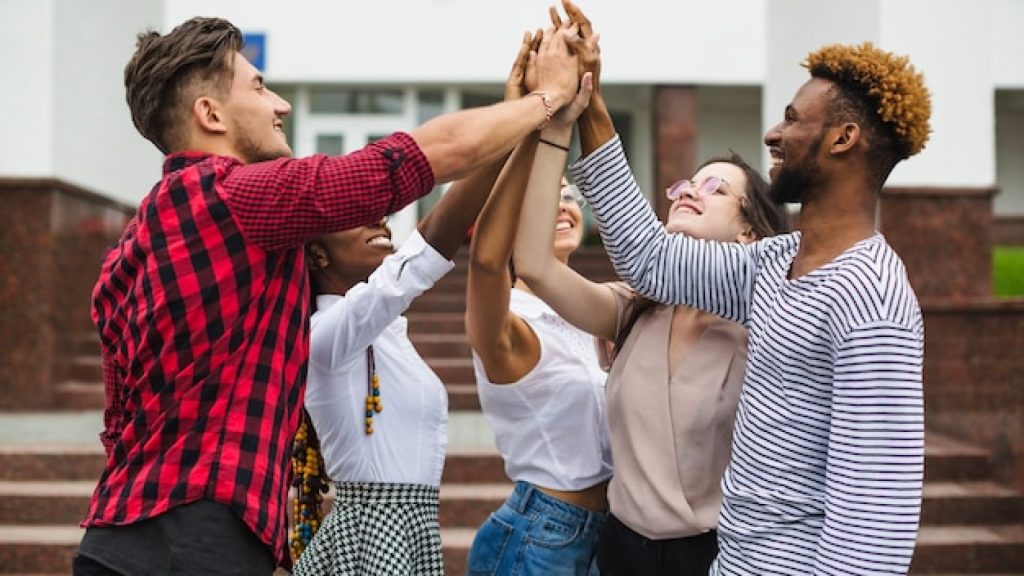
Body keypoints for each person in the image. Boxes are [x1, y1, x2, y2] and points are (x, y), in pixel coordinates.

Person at [75, 16, 582, 576]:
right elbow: (411, 160)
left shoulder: (128, 249)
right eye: (259, 86)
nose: (281, 105)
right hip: (195, 540)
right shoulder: (238, 196)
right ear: (210, 115)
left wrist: (513, 118)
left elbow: (117, 423)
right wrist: (547, 97)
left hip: (115, 535)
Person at [566, 24, 932, 575]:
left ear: (843, 138)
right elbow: (649, 259)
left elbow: (874, 521)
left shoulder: (872, 299)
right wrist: (590, 100)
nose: (772, 134)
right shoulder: (774, 262)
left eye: (792, 118)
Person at [513, 11, 788, 570]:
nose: (689, 191)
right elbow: (536, 266)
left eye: (713, 188)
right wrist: (555, 127)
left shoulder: (768, 317)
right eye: (685, 184)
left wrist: (591, 99)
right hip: (619, 551)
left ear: (750, 231)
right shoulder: (634, 308)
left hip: (711, 555)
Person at [287, 34, 539, 576]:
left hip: (410, 528)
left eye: (379, 210)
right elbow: (428, 250)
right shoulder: (325, 334)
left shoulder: (383, 331)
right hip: (369, 539)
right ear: (315, 253)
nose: (379, 219)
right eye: (357, 214)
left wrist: (516, 126)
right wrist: (513, 118)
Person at [463, 27, 611, 576]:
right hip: (539, 540)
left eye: (571, 196)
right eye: (551, 195)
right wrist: (531, 119)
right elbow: (483, 261)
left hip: (608, 535)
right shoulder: (511, 320)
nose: (565, 204)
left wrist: (586, 89)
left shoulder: (587, 314)